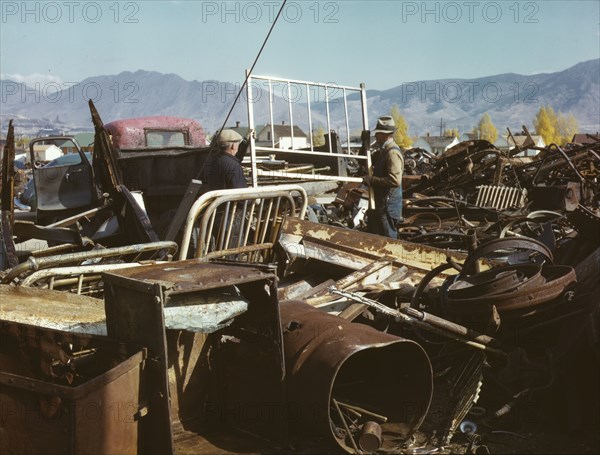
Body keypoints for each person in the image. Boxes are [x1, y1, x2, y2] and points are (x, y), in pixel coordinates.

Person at [362, 116, 404, 239]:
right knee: (376, 240)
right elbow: (363, 161)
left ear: (385, 135)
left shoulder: (392, 153)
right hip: (381, 205)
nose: (376, 136)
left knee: (388, 241)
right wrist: (364, 143)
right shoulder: (383, 151)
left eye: (378, 133)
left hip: (387, 206)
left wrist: (372, 180)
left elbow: (395, 180)